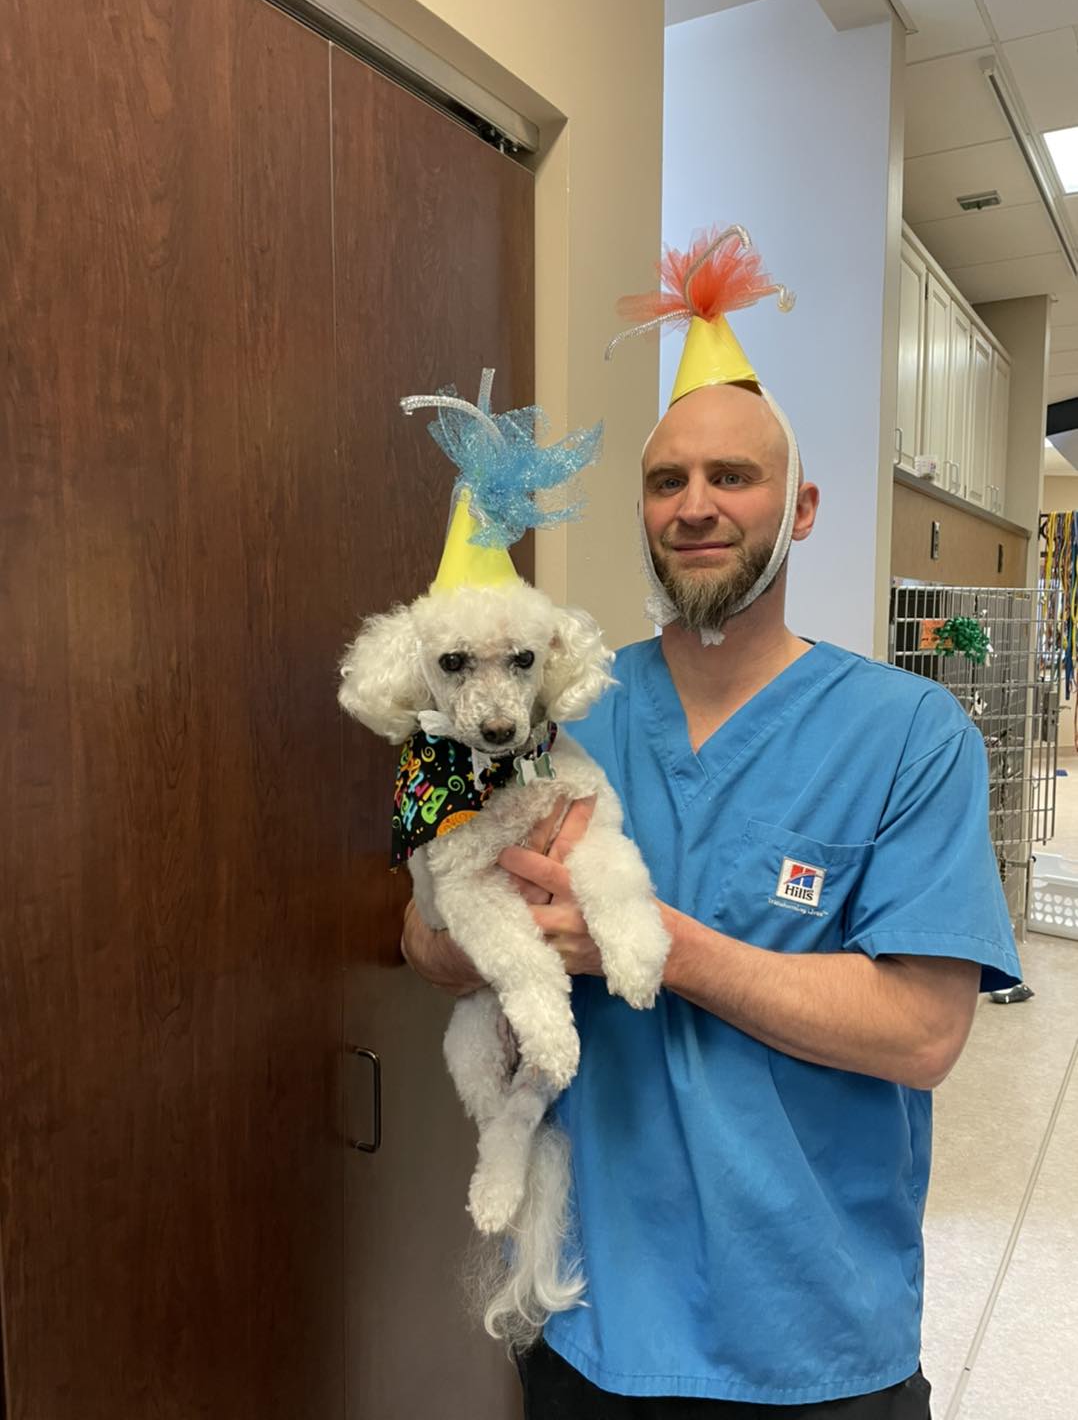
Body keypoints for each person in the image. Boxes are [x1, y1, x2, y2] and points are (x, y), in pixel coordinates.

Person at [402, 230, 1022, 1417]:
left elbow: (921, 1035)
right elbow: (419, 942)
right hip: (588, 1324)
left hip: (813, 1340)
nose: (696, 508)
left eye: (733, 478)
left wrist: (651, 945)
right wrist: (471, 924)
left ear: (801, 506)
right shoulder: (553, 702)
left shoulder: (910, 736)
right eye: (666, 482)